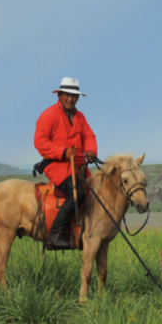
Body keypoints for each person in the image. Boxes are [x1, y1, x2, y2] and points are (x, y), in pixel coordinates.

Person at [34, 77, 98, 247]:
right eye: (67, 95)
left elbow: (89, 137)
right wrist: (62, 152)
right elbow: (40, 142)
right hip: (57, 165)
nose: (70, 99)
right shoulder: (49, 115)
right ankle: (55, 234)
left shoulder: (80, 117)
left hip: (77, 166)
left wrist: (91, 152)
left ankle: (86, 233)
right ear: (60, 95)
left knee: (96, 193)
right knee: (79, 194)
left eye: (74, 96)